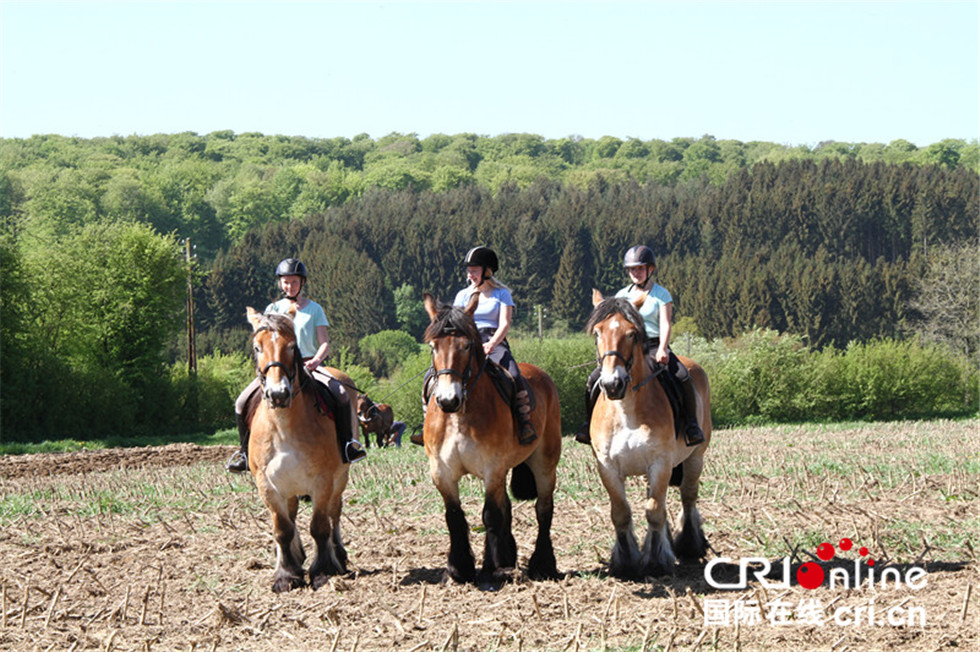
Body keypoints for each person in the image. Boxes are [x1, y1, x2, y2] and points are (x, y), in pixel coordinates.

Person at [225, 258, 366, 472]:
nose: (289, 286)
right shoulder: (273, 309)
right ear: (280, 284)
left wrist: (317, 360)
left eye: (293, 282)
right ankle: (245, 454)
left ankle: (348, 446)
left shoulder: (315, 309)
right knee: (241, 401)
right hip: (278, 367)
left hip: (310, 364)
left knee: (342, 395)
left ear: (302, 283)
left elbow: (325, 342)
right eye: (285, 282)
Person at [575, 245, 705, 447]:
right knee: (593, 380)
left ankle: (691, 425)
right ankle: (587, 425)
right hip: (627, 347)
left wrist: (663, 348)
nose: (636, 273)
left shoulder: (661, 294)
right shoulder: (621, 295)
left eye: (640, 268)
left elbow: (665, 323)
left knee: (682, 375)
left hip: (653, 345)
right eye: (632, 269)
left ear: (650, 269)